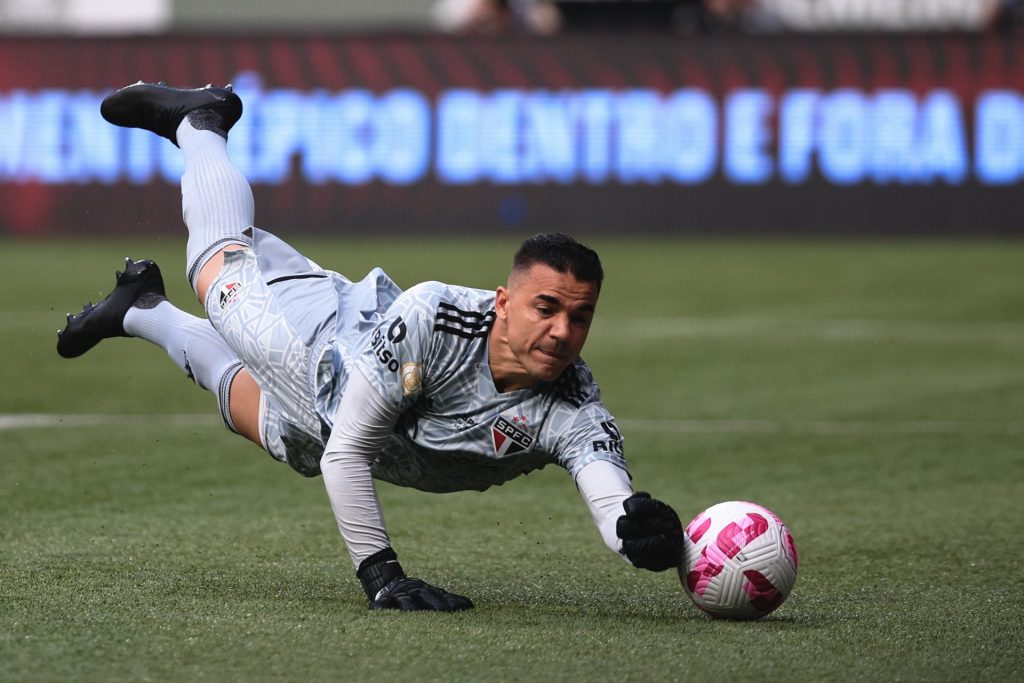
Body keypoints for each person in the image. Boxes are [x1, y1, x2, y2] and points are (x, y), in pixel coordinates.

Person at [57, 82, 685, 611]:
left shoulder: (574, 408)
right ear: (504, 302)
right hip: (314, 342)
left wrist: (636, 531)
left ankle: (140, 309)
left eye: (580, 317)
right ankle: (199, 122)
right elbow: (347, 453)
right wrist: (382, 577)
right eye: (546, 308)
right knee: (218, 265)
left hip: (338, 425)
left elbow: (609, 495)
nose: (561, 332)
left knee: (249, 407)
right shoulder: (435, 316)